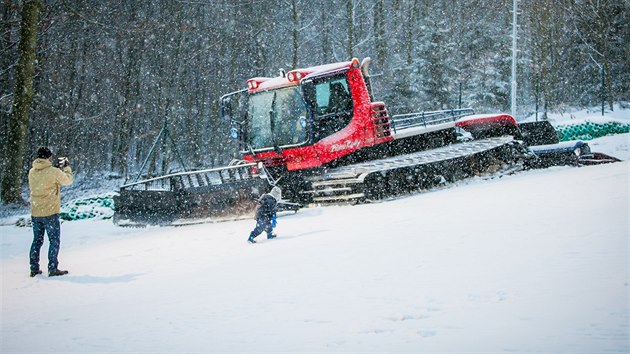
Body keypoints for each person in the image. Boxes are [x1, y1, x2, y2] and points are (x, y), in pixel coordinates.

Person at [28, 146, 73, 277]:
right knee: (54, 240)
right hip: (50, 212)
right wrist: (66, 168)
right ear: (49, 157)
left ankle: (34, 268)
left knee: (37, 240)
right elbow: (68, 180)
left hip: (36, 212)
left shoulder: (32, 172)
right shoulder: (53, 171)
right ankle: (52, 268)